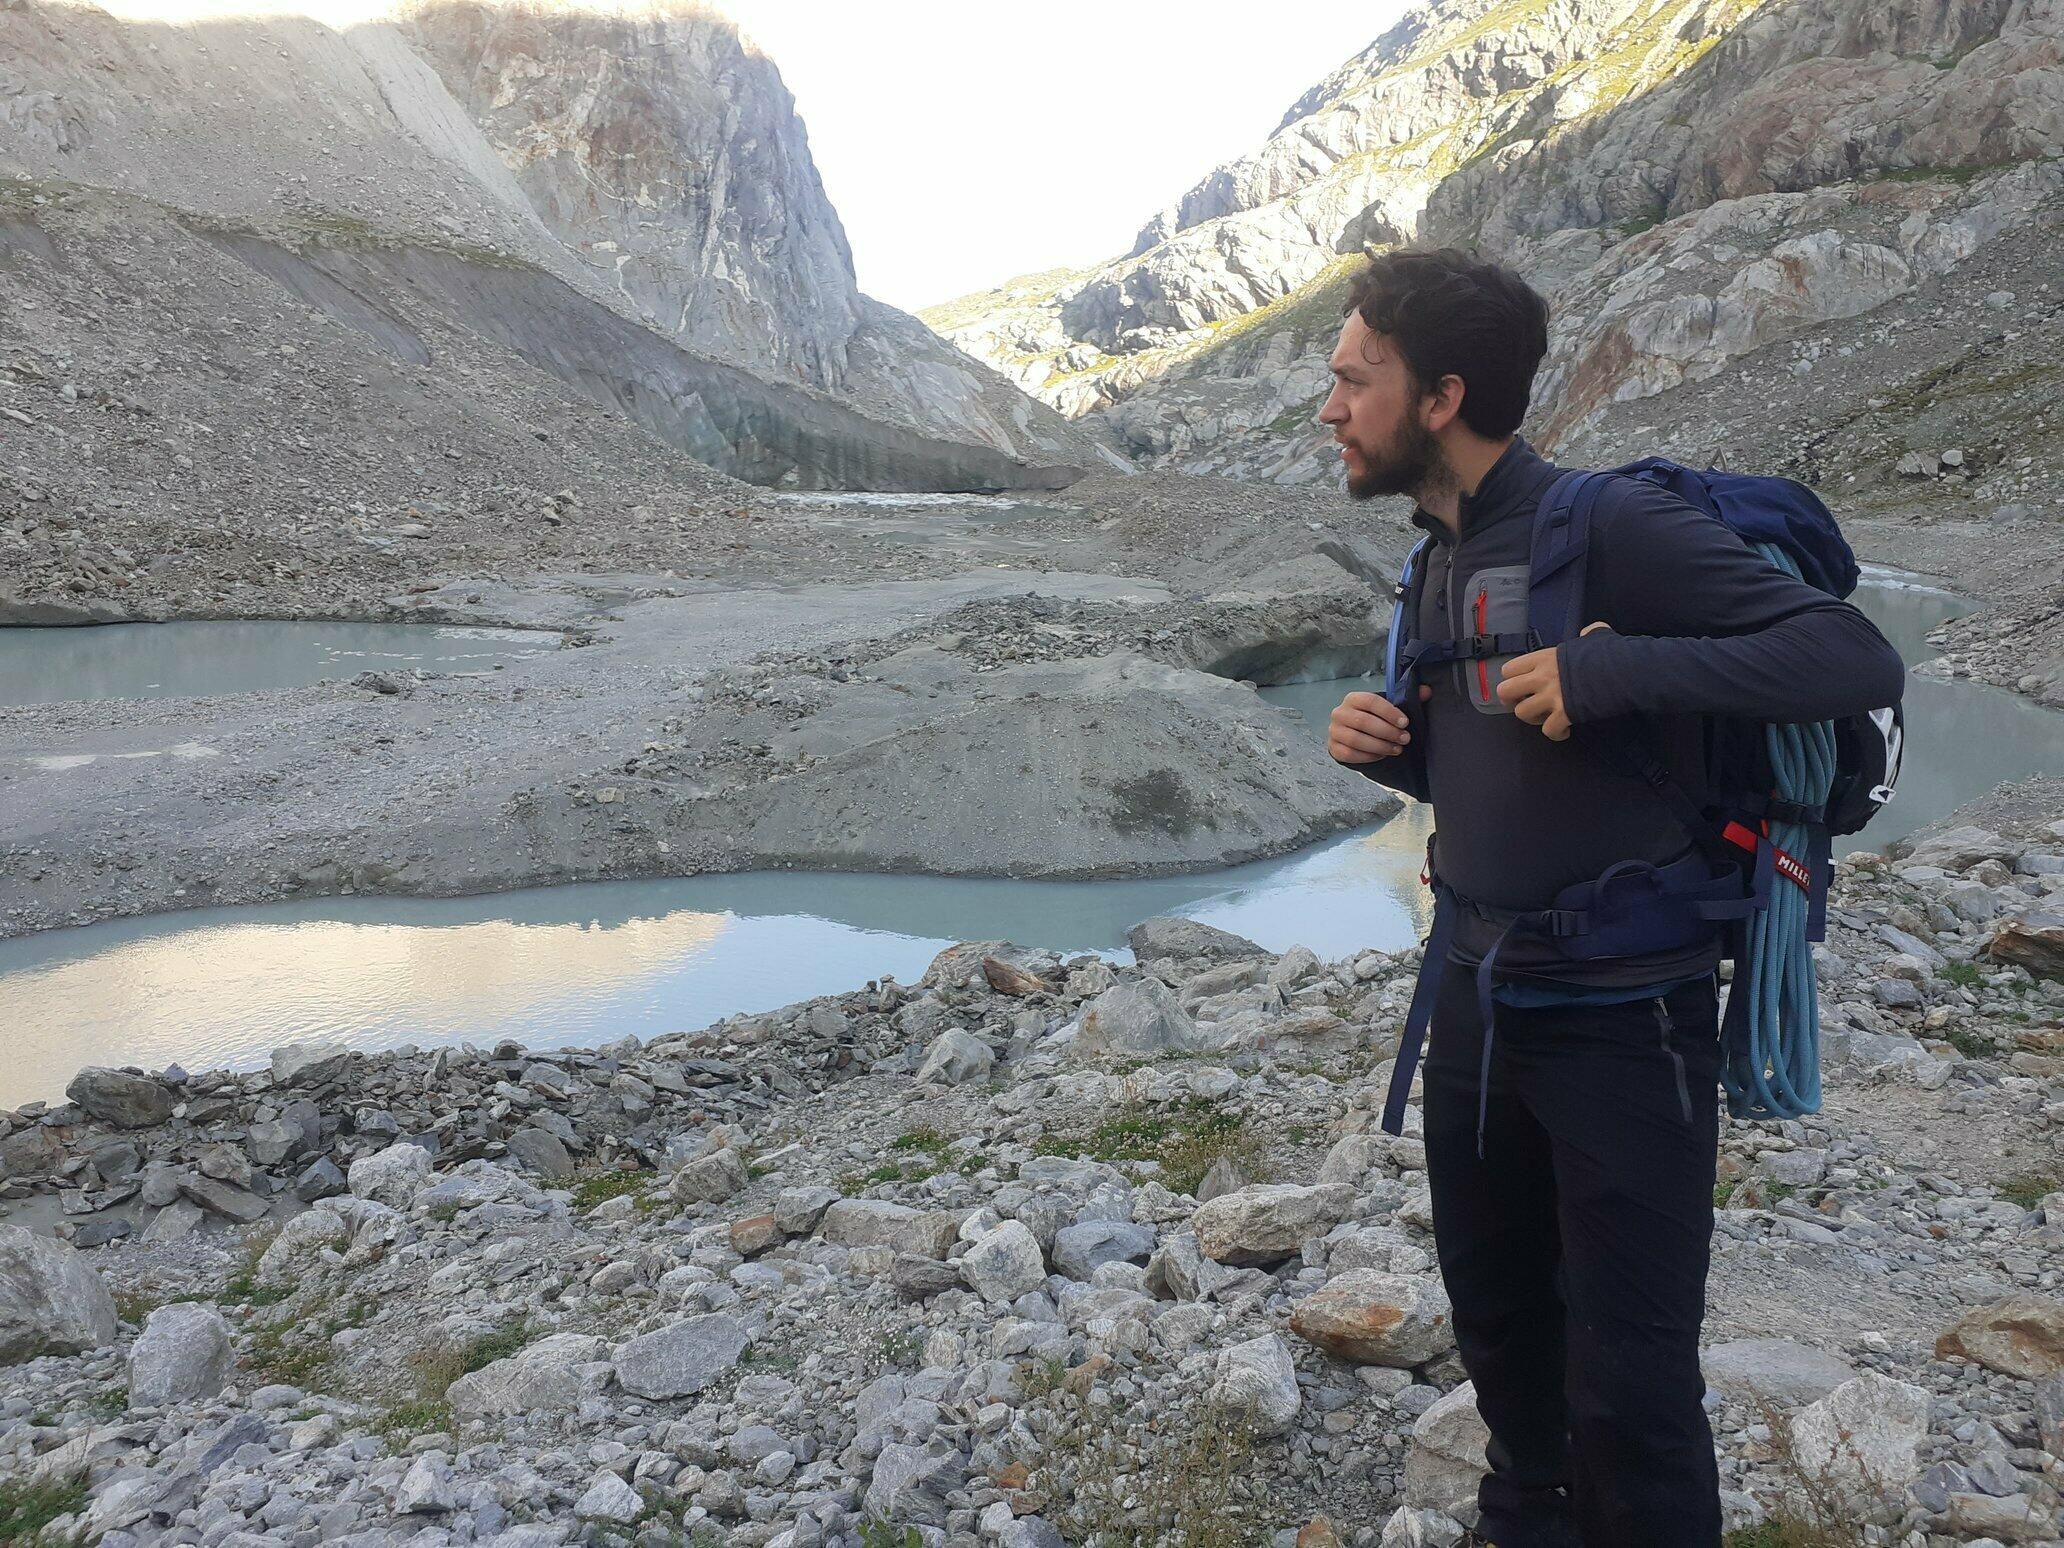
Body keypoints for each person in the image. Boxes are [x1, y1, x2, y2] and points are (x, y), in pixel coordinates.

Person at [1320, 248, 1905, 1548]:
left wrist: (1614, 671)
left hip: (1622, 1020)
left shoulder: (1609, 526)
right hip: (1474, 1002)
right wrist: (1397, 753)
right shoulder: (1434, 560)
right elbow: (1515, 772)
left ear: (1441, 397)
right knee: (1504, 1344)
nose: (1331, 407)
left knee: (1631, 1387)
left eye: (1356, 379)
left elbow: (1853, 656)